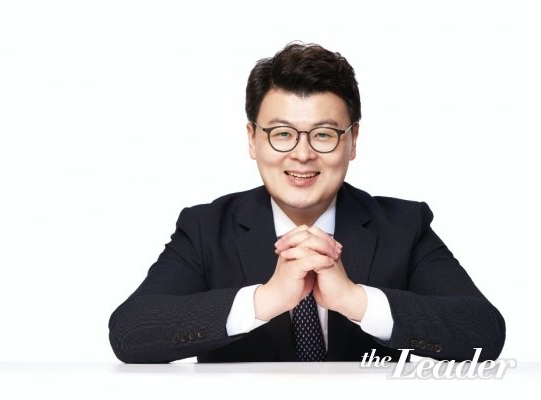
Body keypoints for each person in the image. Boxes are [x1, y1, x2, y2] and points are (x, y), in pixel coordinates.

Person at [108, 42, 505, 363]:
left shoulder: (404, 225)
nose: (302, 155)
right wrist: (263, 300)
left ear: (352, 141)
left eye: (324, 135)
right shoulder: (206, 228)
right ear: (252, 139)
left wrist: (356, 300)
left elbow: (483, 332)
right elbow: (130, 331)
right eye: (282, 133)